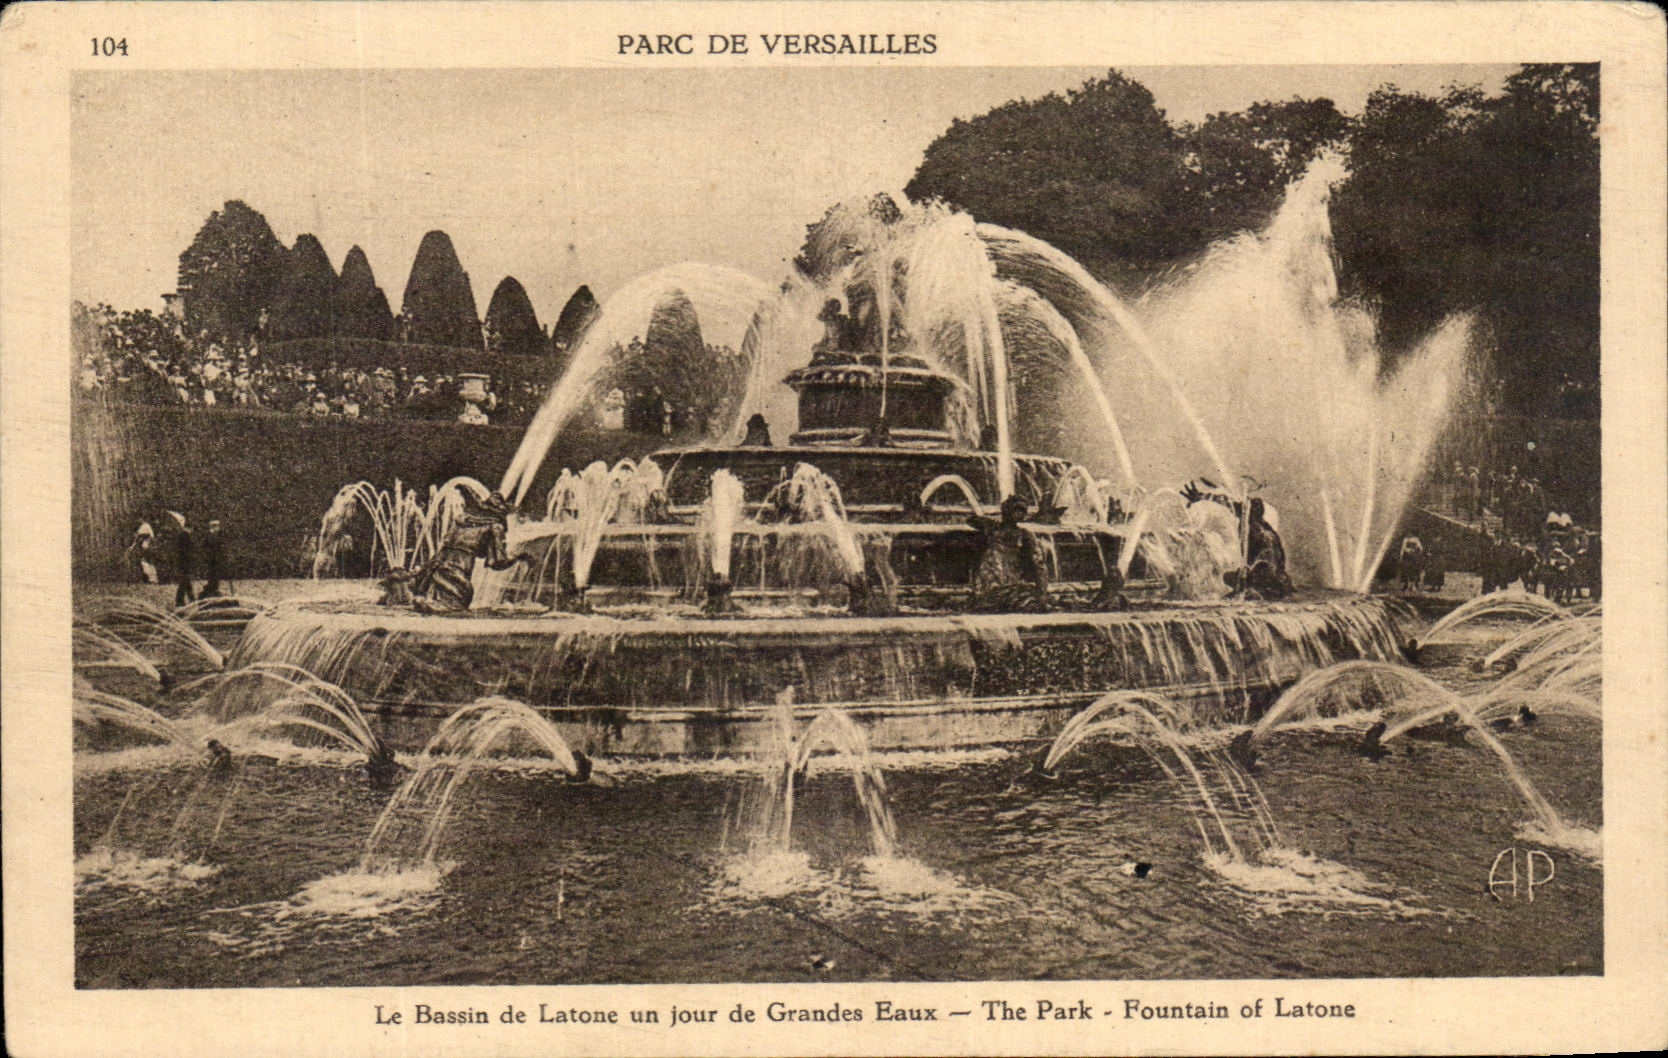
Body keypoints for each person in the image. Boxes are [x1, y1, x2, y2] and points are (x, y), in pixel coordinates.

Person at [383, 490, 530, 614]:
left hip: (435, 565)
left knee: (426, 600)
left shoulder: (462, 522)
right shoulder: (495, 527)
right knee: (455, 607)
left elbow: (448, 543)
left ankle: (407, 593)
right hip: (457, 569)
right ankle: (425, 603)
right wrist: (519, 556)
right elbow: (497, 561)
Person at [967, 496, 1051, 612]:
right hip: (991, 583)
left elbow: (1039, 565)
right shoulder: (993, 528)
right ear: (1006, 510)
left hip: (1009, 582)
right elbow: (972, 520)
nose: (1019, 514)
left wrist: (1042, 593)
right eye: (1016, 510)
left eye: (1022, 511)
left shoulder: (1025, 535)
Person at [169, 512, 196, 607]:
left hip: (181, 563)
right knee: (184, 582)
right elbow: (187, 552)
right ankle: (182, 601)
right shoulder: (186, 537)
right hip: (185, 563)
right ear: (189, 528)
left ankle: (190, 600)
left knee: (185, 582)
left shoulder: (181, 536)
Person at [201, 520, 227, 598]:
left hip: (216, 560)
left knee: (215, 575)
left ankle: (215, 590)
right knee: (212, 575)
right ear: (213, 527)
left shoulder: (216, 536)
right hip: (211, 560)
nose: (219, 528)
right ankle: (212, 591)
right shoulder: (209, 536)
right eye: (217, 527)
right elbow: (205, 548)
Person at [127, 520, 159, 585]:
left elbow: (150, 537)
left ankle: (153, 580)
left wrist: (146, 542)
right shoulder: (143, 528)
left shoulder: (145, 527)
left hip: (145, 547)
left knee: (145, 562)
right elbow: (137, 539)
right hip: (142, 547)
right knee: (144, 563)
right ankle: (151, 580)